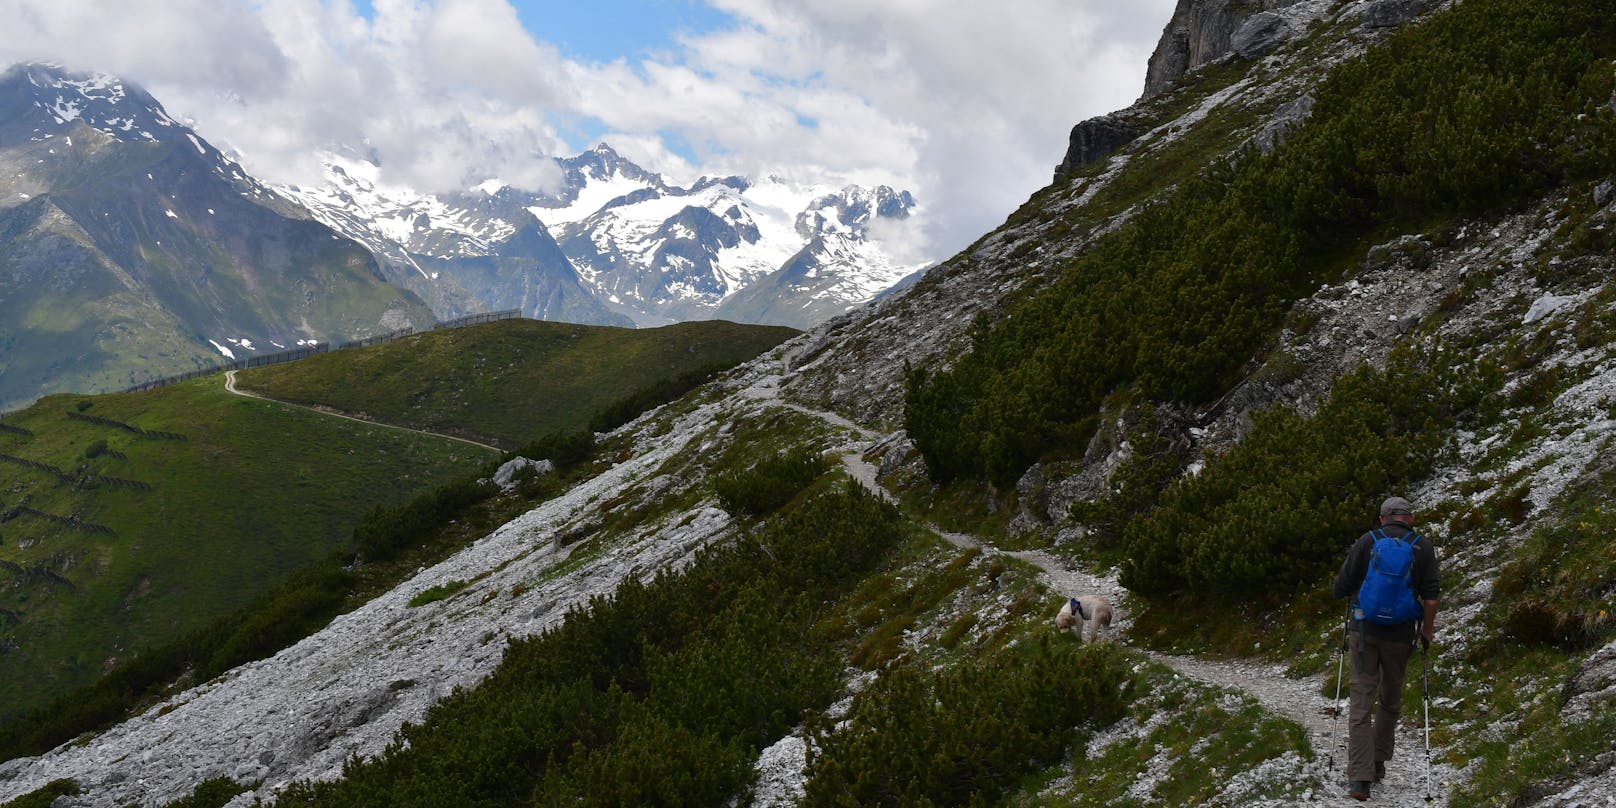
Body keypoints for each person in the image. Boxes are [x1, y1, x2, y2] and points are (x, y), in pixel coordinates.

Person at [1332, 496, 1440, 801]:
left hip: (1364, 632)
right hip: (1401, 636)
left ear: (1383, 519)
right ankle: (1378, 761)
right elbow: (1431, 598)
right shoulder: (1423, 547)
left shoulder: (1368, 541)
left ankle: (1359, 779)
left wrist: (1349, 590)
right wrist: (1427, 633)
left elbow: (1340, 587)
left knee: (1361, 702)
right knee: (1390, 701)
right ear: (1411, 519)